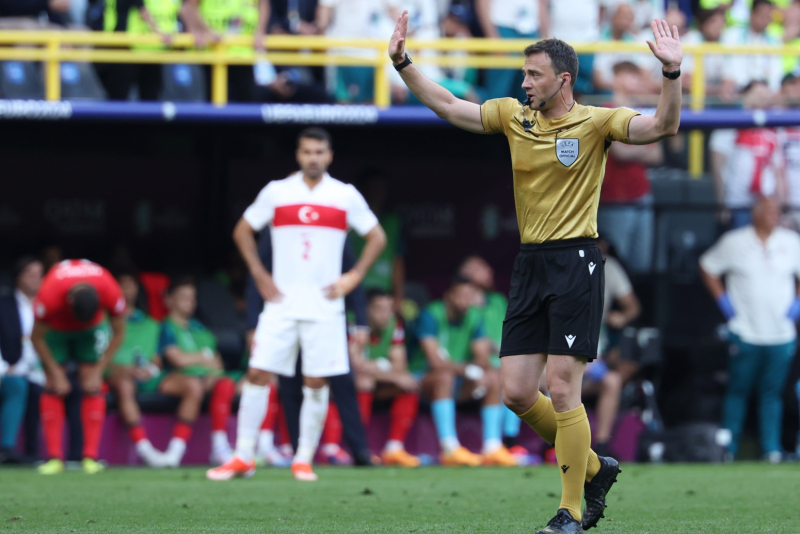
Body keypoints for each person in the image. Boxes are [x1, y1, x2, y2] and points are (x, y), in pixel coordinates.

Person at [388, 12, 682, 532]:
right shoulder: (513, 116)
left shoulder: (596, 122)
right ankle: (594, 468)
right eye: (524, 73)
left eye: (533, 74)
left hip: (576, 262)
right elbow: (449, 106)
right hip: (530, 265)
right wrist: (403, 63)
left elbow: (662, 126)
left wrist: (671, 73)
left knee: (564, 388)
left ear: (562, 80)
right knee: (518, 393)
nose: (523, 82)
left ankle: (571, 510)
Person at [207, 127, 386, 482]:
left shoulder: (344, 195)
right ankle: (243, 456)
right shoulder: (277, 191)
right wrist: (259, 273)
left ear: (329, 156)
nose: (313, 158)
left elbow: (377, 237)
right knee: (258, 373)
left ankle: (303, 458)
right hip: (282, 304)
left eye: (319, 152)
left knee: (315, 381)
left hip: (325, 307)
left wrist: (353, 277)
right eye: (307, 152)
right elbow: (242, 230)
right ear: (298, 155)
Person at [700, 197, 800, 463]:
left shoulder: (791, 242)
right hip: (745, 331)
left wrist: (797, 304)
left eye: (777, 211)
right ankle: (728, 450)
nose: (774, 215)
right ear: (755, 214)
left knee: (773, 395)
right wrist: (724, 301)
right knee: (737, 392)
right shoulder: (735, 241)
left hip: (781, 334)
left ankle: (771, 449)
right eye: (768, 211)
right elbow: (707, 266)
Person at [31, 259, 127, 475]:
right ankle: (54, 459)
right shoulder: (49, 293)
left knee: (93, 385)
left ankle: (90, 457)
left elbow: (119, 332)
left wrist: (99, 370)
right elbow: (36, 338)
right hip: (56, 329)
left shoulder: (109, 289)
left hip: (90, 331)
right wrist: (55, 372)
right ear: (69, 300)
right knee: (53, 386)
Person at [410, 276, 514, 467]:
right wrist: (467, 369)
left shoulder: (475, 316)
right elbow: (434, 362)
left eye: (469, 297)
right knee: (444, 377)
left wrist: (477, 371)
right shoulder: (431, 315)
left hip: (459, 381)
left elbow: (482, 357)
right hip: (421, 381)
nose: (465, 301)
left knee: (494, 376)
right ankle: (449, 448)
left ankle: (492, 447)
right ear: (448, 296)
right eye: (460, 296)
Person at [157, 276, 236, 467]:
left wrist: (199, 364)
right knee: (193, 385)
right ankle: (175, 452)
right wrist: (202, 357)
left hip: (202, 379)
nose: (189, 302)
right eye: (184, 297)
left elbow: (218, 365)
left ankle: (220, 447)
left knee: (225, 383)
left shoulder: (201, 329)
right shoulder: (165, 327)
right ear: (169, 300)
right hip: (170, 379)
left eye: (192, 298)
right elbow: (178, 360)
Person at [598, 61, 663, 273]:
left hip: (641, 196)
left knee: (642, 265)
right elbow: (619, 153)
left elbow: (657, 155)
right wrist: (643, 146)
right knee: (615, 262)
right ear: (616, 79)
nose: (636, 81)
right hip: (614, 199)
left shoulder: (643, 112)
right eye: (630, 75)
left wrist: (630, 145)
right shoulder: (604, 110)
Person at [458, 255, 525, 458]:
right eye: (480, 267)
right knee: (505, 376)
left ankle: (549, 445)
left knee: (547, 377)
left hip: (505, 362)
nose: (489, 271)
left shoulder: (497, 300)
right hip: (475, 367)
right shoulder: (462, 305)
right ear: (464, 273)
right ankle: (502, 443)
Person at [581, 239, 641, 458]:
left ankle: (601, 446)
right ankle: (553, 444)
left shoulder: (608, 267)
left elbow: (633, 306)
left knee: (613, 379)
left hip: (592, 360)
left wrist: (621, 317)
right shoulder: (561, 266)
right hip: (556, 361)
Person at [351, 288, 420, 466]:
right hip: (349, 387)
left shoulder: (394, 325)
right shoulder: (353, 324)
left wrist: (377, 367)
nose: (385, 315)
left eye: (389, 309)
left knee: (409, 382)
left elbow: (400, 364)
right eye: (379, 309)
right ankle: (360, 447)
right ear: (366, 310)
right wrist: (386, 367)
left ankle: (394, 448)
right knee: (364, 381)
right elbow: (355, 365)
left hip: (379, 384)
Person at [105, 269, 164, 466]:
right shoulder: (103, 321)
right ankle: (144, 448)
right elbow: (97, 358)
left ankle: (175, 450)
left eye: (130, 284)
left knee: (191, 385)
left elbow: (156, 360)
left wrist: (150, 370)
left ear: (137, 289)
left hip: (146, 378)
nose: (125, 289)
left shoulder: (151, 324)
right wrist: (126, 370)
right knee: (125, 385)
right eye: (121, 284)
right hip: (115, 375)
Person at [709, 81, 783, 229]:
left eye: (766, 95)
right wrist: (722, 204)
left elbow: (778, 171)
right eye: (758, 94)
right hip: (737, 203)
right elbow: (717, 169)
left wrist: (781, 206)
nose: (762, 99)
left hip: (766, 204)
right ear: (744, 96)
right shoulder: (728, 126)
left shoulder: (774, 129)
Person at [181, 0, 270, 102]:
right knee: (210, 106)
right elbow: (188, 7)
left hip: (243, 55)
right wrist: (206, 30)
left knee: (243, 106)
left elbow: (264, 3)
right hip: (210, 54)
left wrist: (260, 30)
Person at [0, 257, 44, 464]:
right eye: (30, 274)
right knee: (18, 385)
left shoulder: (47, 307)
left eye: (39, 275)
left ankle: (35, 454)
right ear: (19, 276)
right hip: (8, 369)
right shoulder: (4, 304)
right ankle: (6, 449)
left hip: (39, 371)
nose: (35, 279)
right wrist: (4, 367)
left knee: (42, 389)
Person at [475, 0, 548, 100]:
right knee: (498, 91)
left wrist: (545, 39)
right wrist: (493, 38)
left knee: (530, 91)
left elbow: (542, 3)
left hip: (531, 28)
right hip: (502, 27)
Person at [721, 0, 784, 94]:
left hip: (766, 92)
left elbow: (776, 73)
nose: (764, 19)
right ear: (752, 14)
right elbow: (729, 67)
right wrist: (748, 86)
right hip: (739, 90)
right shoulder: (732, 35)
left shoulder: (775, 41)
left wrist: (769, 89)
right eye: (761, 15)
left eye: (768, 16)